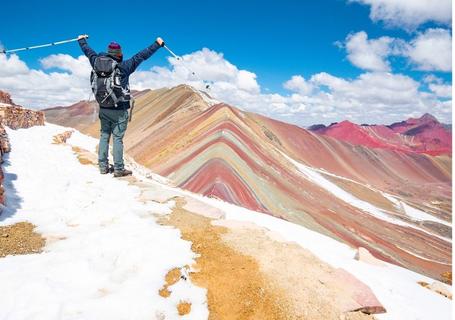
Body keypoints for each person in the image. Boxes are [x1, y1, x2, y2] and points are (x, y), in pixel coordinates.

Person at [77, 34, 164, 177]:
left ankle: (103, 167)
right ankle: (118, 169)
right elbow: (141, 56)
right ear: (119, 54)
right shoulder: (124, 67)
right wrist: (157, 44)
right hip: (120, 108)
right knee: (117, 138)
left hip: (103, 107)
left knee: (104, 135)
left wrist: (81, 40)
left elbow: (88, 51)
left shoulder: (96, 62)